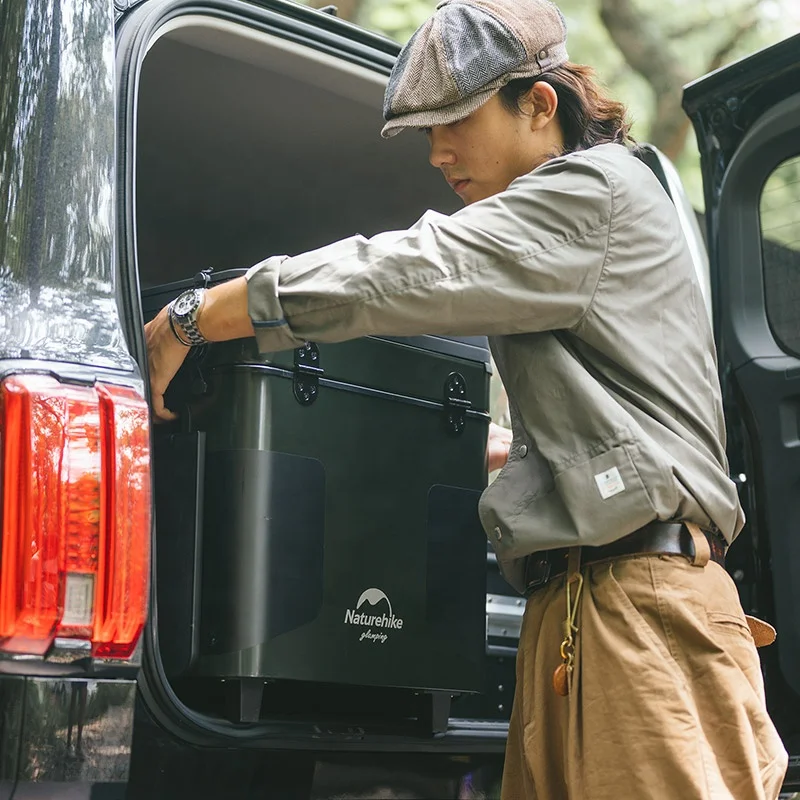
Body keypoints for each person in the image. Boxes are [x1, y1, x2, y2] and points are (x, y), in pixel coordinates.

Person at [144, 0, 788, 796]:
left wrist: (196, 316)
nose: (437, 153)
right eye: (426, 132)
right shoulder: (578, 226)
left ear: (539, 106)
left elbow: (409, 268)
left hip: (640, 608)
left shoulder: (591, 191)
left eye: (456, 122)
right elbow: (610, 413)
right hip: (581, 610)